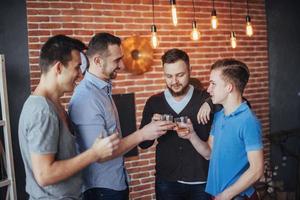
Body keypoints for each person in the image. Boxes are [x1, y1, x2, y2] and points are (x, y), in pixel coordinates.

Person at [68, 32, 174, 200]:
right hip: (101, 189)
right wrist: (143, 134)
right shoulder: (86, 97)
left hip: (114, 182)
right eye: (116, 60)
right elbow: (101, 154)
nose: (121, 65)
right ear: (97, 61)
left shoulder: (102, 90)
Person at [18, 35, 120, 200]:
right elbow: (45, 175)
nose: (80, 75)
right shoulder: (41, 111)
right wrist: (94, 153)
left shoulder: (54, 105)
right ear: (58, 68)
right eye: (77, 67)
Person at [139, 48, 212, 200]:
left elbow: (238, 102)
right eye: (169, 76)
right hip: (166, 181)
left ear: (189, 70)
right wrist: (151, 129)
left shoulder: (205, 98)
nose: (174, 81)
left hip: (201, 180)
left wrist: (210, 103)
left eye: (180, 75)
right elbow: (144, 144)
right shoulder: (154, 102)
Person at [192, 59, 264, 200]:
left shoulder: (248, 121)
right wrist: (190, 134)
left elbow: (257, 170)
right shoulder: (219, 116)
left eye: (213, 84)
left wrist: (226, 195)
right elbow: (209, 153)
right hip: (218, 195)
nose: (208, 89)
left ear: (229, 87)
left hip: (237, 197)